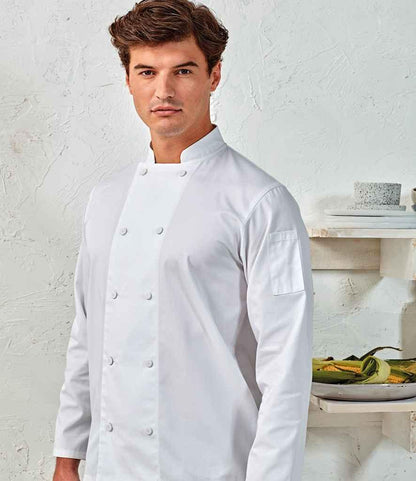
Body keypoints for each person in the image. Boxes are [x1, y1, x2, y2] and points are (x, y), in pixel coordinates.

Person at [52, 1, 314, 480]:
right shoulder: (106, 198)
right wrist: (68, 456)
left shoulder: (261, 202)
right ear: (128, 80)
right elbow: (86, 336)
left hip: (214, 467)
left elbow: (286, 371)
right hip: (110, 467)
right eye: (147, 72)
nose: (164, 91)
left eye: (184, 70)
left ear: (214, 76)